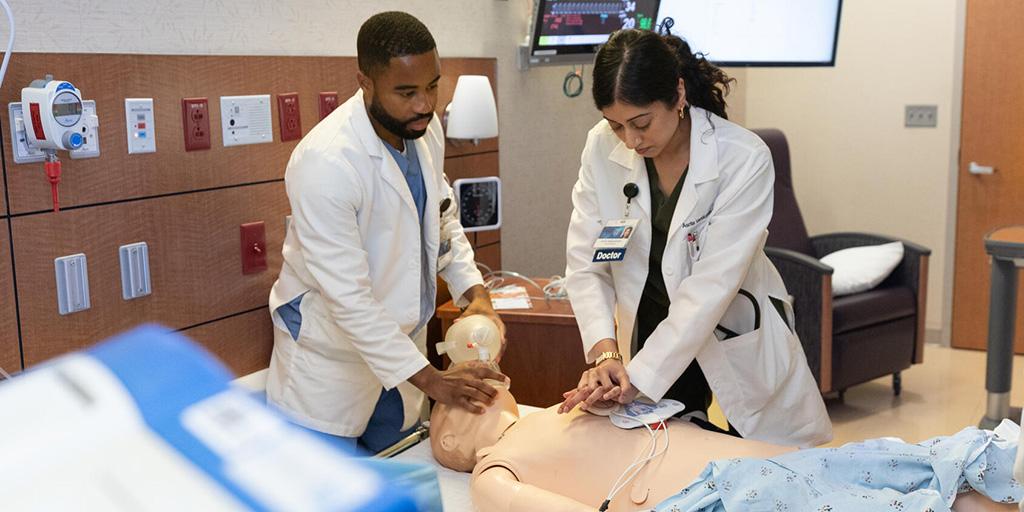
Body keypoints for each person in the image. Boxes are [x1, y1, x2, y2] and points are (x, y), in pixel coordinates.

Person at [560, 28, 831, 447]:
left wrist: (639, 376)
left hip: (729, 330)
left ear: (679, 93)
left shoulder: (743, 158)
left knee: (762, 463)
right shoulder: (599, 147)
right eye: (615, 125)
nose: (630, 140)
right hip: (650, 332)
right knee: (665, 460)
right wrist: (605, 353)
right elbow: (585, 263)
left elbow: (710, 287)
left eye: (641, 123)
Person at [265, 11, 506, 454]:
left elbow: (442, 217)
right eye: (407, 92)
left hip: (401, 354)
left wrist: (477, 295)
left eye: (432, 85)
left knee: (394, 479)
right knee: (327, 494)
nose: (424, 104)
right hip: (329, 363)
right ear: (365, 81)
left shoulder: (424, 130)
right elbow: (349, 301)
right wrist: (435, 381)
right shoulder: (326, 163)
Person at [430, 385, 1020, 512]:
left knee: (902, 466)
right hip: (712, 496)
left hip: (760, 461)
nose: (479, 385)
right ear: (448, 440)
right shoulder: (494, 466)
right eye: (452, 399)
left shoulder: (557, 410)